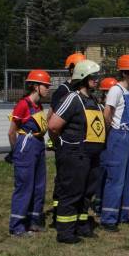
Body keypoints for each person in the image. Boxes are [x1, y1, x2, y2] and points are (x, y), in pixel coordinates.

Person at [48, 60, 105, 244]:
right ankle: (65, 232)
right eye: (93, 77)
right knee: (71, 192)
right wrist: (62, 145)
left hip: (91, 155)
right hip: (75, 154)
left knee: (87, 193)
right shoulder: (72, 98)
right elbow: (53, 125)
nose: (96, 80)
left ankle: (81, 226)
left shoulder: (94, 101)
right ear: (83, 78)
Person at [7, 70, 51, 237]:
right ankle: (17, 226)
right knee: (24, 186)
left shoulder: (38, 106)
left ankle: (33, 221)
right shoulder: (23, 105)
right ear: (35, 86)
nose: (48, 89)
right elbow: (11, 132)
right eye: (45, 85)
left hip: (38, 145)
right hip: (26, 146)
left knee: (39, 185)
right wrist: (15, 152)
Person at [101, 55, 129, 231]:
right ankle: (108, 218)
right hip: (118, 135)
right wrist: (111, 132)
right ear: (124, 73)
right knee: (115, 178)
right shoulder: (115, 90)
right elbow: (107, 114)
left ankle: (124, 214)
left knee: (128, 178)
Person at [47, 52, 86, 227]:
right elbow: (53, 115)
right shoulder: (64, 90)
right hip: (65, 141)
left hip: (77, 143)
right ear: (71, 70)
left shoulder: (80, 91)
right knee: (63, 180)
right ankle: (59, 215)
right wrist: (56, 140)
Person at [92, 76, 117, 215]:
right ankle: (98, 202)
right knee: (101, 175)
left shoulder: (114, 109)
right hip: (102, 146)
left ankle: (105, 201)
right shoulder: (100, 108)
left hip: (111, 145)